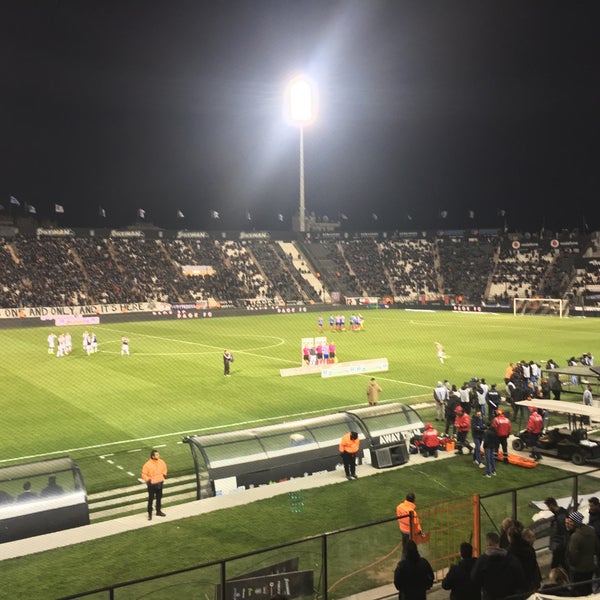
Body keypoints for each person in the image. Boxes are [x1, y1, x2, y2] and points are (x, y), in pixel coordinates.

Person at [471, 531, 526, 600]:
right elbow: (520, 577)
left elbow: (474, 579)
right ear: (499, 542)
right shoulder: (510, 558)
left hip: (490, 596)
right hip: (510, 596)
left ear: (488, 543)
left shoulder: (482, 561)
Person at [565, 510, 600, 596]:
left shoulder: (575, 536)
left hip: (578, 570)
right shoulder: (591, 531)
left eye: (570, 522)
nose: (568, 524)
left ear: (575, 522)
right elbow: (597, 548)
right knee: (588, 591)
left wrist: (571, 564)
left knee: (578, 592)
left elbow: (573, 556)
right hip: (590, 568)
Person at [507, 524, 542, 594]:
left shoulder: (509, 552)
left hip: (519, 587)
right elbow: (534, 566)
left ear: (510, 537)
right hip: (532, 583)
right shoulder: (529, 548)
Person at [141, 449, 168, 520]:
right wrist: (148, 481)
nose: (158, 456)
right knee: (151, 499)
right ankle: (150, 514)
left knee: (159, 498)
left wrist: (164, 475)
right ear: (152, 456)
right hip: (152, 485)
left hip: (160, 483)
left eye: (158, 454)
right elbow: (143, 474)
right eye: (157, 455)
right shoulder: (147, 464)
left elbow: (165, 469)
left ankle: (158, 511)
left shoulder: (161, 462)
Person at [545, 496, 569, 569]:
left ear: (551, 505)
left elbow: (564, 532)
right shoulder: (559, 515)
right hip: (559, 546)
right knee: (563, 565)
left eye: (548, 506)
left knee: (555, 566)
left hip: (559, 547)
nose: (549, 509)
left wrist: (559, 547)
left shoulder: (560, 516)